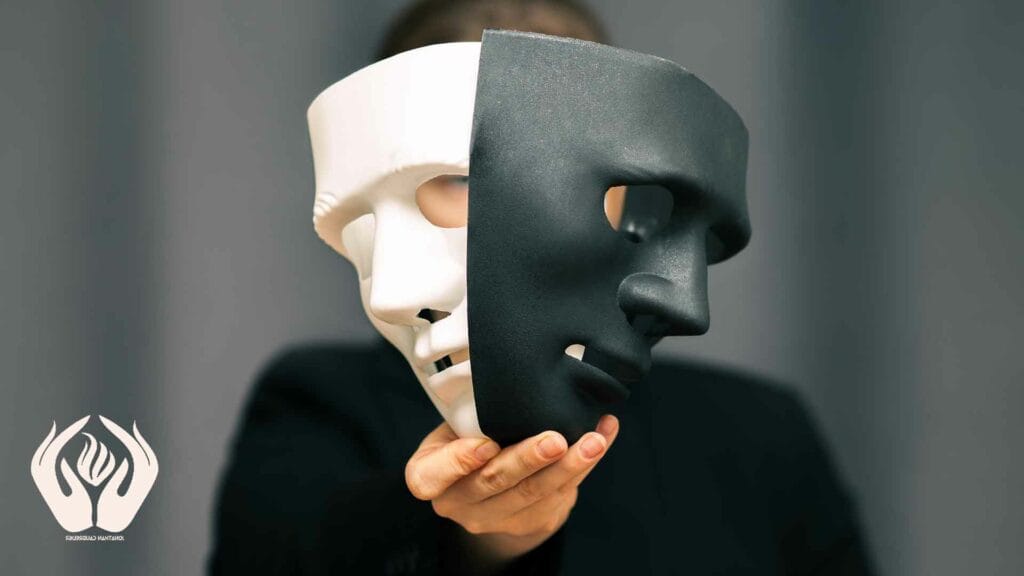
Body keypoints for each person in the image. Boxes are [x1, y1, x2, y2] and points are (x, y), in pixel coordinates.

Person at [209, 1, 876, 574]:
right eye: (460, 180)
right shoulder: (318, 405)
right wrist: (469, 542)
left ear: (629, 188)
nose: (390, 293)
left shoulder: (759, 437)